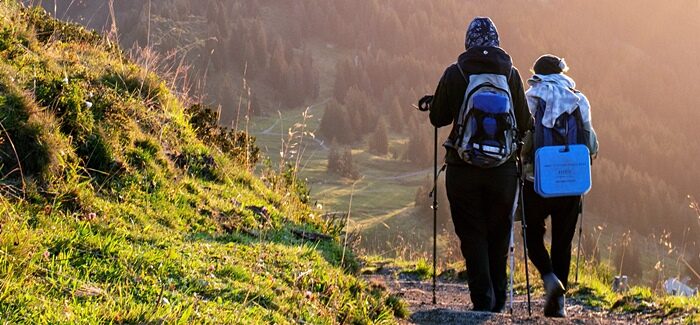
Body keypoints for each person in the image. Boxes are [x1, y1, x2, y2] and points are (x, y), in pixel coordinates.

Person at [429, 17, 532, 312]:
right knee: (499, 233)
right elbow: (524, 123)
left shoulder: (456, 72)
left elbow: (438, 118)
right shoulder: (511, 75)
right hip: (503, 172)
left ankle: (482, 300)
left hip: (463, 169)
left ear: (468, 42)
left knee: (472, 233)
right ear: (496, 42)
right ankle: (499, 301)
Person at [522, 54, 599, 317]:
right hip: (571, 182)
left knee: (532, 233)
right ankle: (559, 306)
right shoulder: (579, 99)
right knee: (562, 242)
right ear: (561, 72)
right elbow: (591, 145)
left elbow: (520, 141)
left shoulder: (530, 98)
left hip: (537, 182)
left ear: (537, 73)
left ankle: (547, 276)